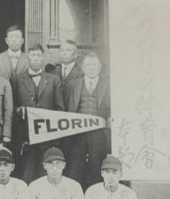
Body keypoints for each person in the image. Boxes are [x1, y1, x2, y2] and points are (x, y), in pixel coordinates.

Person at [13, 44, 65, 182]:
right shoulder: (18, 80)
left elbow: (60, 109)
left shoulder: (53, 80)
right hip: (26, 139)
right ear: (27, 57)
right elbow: (12, 107)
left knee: (45, 176)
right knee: (26, 175)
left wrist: (55, 138)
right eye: (33, 55)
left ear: (43, 58)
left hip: (47, 138)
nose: (36, 59)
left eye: (39, 56)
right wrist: (19, 112)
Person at [65, 52, 111, 188]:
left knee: (96, 166)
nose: (91, 68)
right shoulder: (73, 84)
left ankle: (96, 196)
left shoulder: (108, 84)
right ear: (83, 68)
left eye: (94, 65)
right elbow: (67, 107)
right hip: (77, 133)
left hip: (99, 133)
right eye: (88, 65)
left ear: (100, 67)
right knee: (75, 166)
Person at [48, 40, 83, 104]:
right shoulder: (52, 73)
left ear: (75, 54)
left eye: (68, 50)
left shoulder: (82, 73)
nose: (64, 53)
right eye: (62, 50)